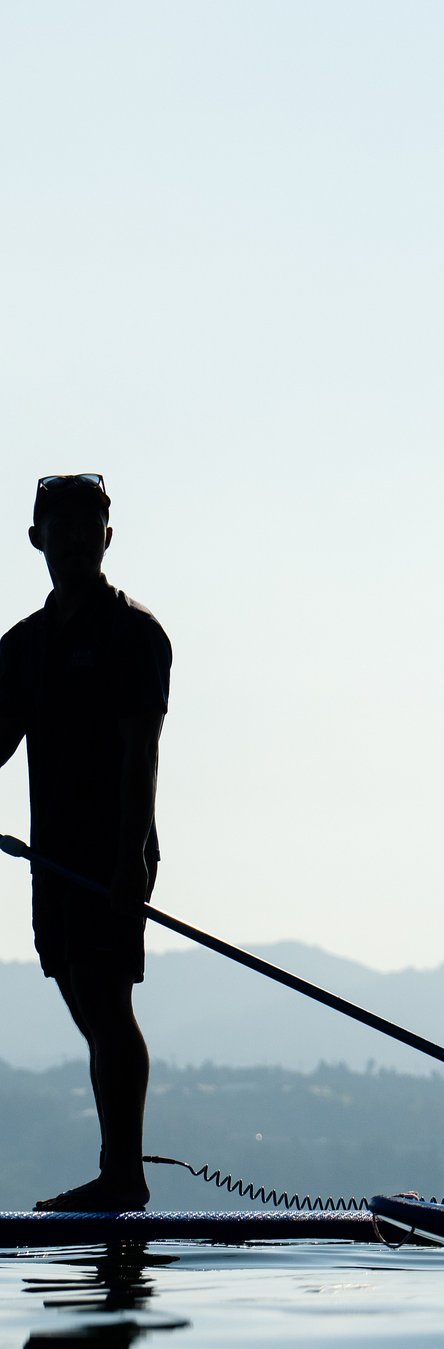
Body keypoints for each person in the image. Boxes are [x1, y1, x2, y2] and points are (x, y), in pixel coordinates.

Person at [0, 474, 171, 1211]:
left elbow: (143, 754)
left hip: (113, 852)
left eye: (87, 524)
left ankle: (122, 1175)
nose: (72, 538)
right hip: (51, 855)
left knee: (106, 1005)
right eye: (58, 525)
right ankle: (118, 1171)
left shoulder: (137, 635)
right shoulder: (23, 647)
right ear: (35, 537)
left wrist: (131, 856)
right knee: (85, 1002)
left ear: (107, 536)